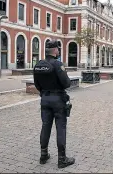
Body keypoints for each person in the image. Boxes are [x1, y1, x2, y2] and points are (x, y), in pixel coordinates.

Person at [33, 40, 75, 168]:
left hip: (45, 99)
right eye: (58, 49)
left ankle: (43, 155)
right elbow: (67, 83)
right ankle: (62, 159)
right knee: (60, 128)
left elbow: (37, 85)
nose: (59, 51)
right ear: (55, 50)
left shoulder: (38, 65)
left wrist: (45, 92)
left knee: (45, 126)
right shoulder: (57, 65)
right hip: (58, 100)